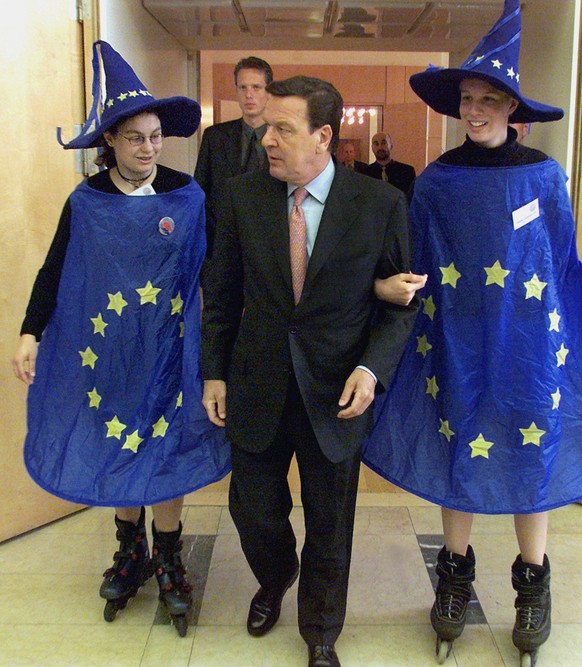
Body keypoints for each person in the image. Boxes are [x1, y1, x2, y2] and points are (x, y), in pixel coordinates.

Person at [365, 1, 582, 664]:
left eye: (491, 98)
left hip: (527, 350)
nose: (478, 110)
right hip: (454, 346)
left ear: (513, 107)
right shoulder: (435, 182)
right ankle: (454, 574)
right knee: (459, 448)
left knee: (528, 454)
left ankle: (532, 581)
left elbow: (563, 264)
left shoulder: (545, 178)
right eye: (469, 98)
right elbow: (417, 264)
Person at [11, 41, 229, 637]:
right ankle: (130, 549)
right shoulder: (87, 201)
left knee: (168, 449)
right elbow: (57, 267)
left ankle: (170, 556)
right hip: (109, 353)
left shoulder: (187, 196)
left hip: (172, 351)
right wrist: (32, 330)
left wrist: (219, 352)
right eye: (136, 138)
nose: (150, 148)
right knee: (121, 442)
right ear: (111, 141)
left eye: (157, 136)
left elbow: (215, 273)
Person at [201, 75, 418, 667]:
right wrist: (213, 372)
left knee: (331, 521)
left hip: (336, 390)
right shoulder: (244, 197)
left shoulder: (379, 204)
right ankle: (275, 577)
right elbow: (220, 293)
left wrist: (372, 370)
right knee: (254, 511)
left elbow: (401, 306)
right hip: (256, 383)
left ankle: (320, 630)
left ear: (324, 136)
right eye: (267, 126)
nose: (266, 137)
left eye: (282, 128)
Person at [194, 56, 273, 254]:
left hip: (270, 245)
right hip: (222, 244)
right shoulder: (215, 136)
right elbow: (200, 191)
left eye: (256, 87)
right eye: (242, 87)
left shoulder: (284, 138)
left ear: (269, 91)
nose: (249, 95)